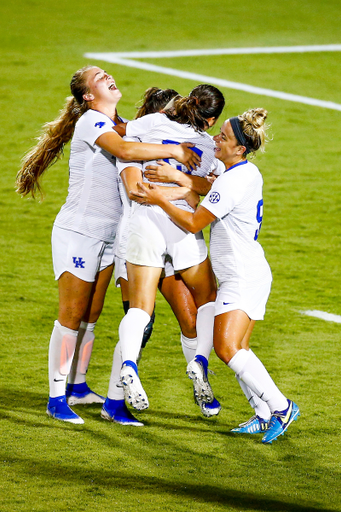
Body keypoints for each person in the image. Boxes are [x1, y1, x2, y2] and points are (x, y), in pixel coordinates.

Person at [15, 65, 200, 425]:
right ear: (87, 96)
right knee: (71, 316)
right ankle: (56, 398)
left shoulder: (123, 124)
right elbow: (124, 150)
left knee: (91, 315)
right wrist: (177, 151)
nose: (108, 77)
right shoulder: (91, 122)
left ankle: (79, 387)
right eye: (98, 77)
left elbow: (131, 142)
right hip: (79, 232)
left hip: (110, 237)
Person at [132, 108, 300, 444]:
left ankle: (282, 407)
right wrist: (181, 182)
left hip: (242, 276)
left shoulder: (234, 179)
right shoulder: (243, 172)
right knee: (239, 347)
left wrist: (158, 197)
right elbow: (209, 185)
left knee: (225, 348)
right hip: (245, 272)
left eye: (223, 137)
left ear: (239, 148)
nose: (215, 140)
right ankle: (263, 413)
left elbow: (195, 222)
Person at [108, 86, 223, 420]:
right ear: (210, 118)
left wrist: (170, 177)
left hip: (143, 229)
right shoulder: (203, 145)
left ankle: (131, 367)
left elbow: (118, 139)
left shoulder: (143, 129)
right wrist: (183, 186)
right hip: (177, 225)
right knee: (207, 301)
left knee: (145, 313)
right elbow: (211, 188)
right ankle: (198, 363)